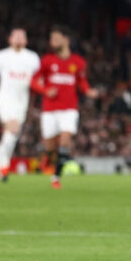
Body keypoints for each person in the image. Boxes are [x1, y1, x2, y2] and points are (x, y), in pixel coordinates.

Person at [29, 25, 99, 188]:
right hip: (49, 110)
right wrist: (46, 91)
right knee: (50, 147)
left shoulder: (78, 62)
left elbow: (81, 82)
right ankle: (48, 160)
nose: (52, 42)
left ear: (66, 40)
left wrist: (88, 91)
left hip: (69, 109)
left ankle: (56, 177)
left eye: (56, 38)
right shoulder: (47, 61)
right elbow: (33, 81)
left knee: (65, 141)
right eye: (51, 39)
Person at [0, 28, 41, 184]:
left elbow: (39, 79)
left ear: (26, 40)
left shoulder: (33, 58)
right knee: (12, 128)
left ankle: (4, 164)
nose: (18, 38)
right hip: (5, 98)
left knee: (12, 134)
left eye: (22, 36)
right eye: (15, 36)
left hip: (22, 100)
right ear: (10, 39)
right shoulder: (2, 56)